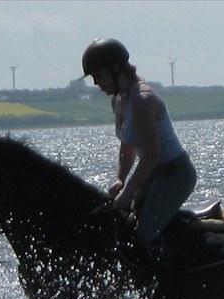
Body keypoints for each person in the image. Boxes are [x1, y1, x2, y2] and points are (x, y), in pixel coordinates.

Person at [81, 38, 197, 262]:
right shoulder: (119, 101)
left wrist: (127, 193)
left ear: (116, 69)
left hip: (175, 173)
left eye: (99, 76)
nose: (96, 83)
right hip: (153, 173)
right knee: (121, 222)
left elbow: (151, 155)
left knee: (141, 236)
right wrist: (121, 179)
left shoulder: (143, 101)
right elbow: (128, 145)